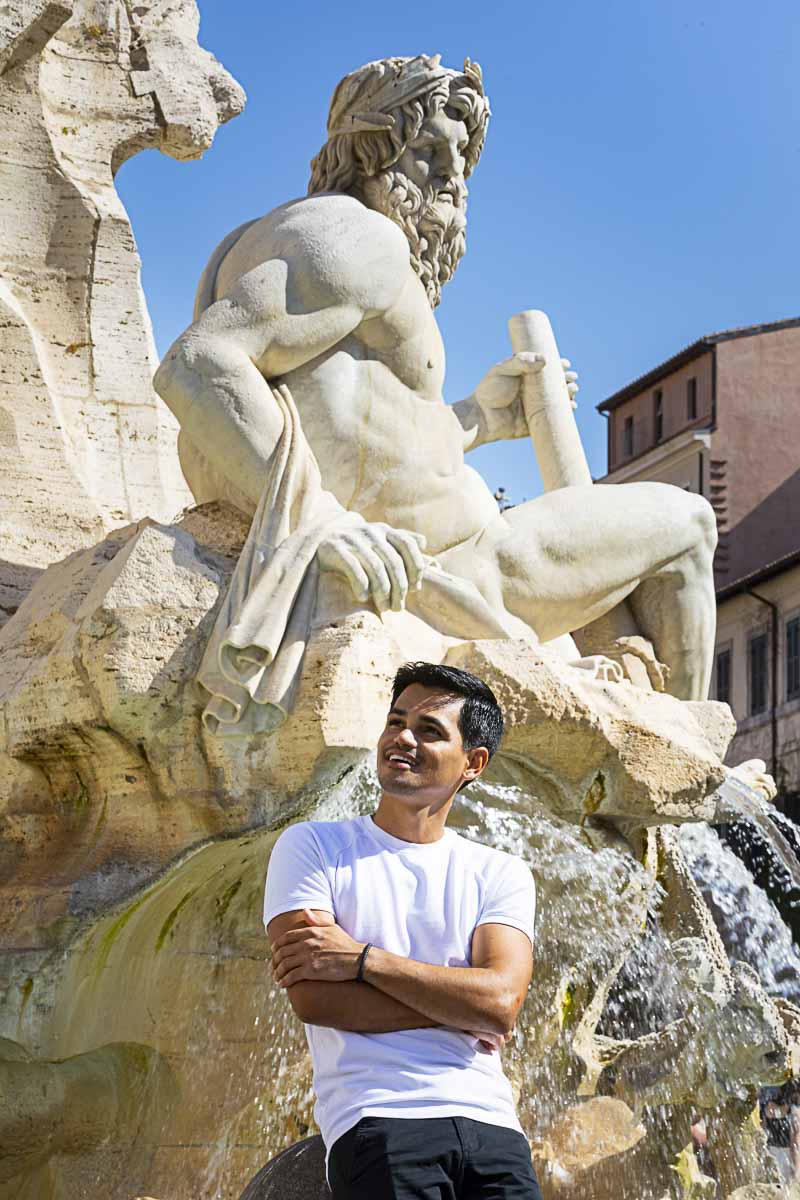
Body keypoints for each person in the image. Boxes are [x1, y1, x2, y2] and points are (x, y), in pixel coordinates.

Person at [155, 54, 718, 705]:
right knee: (690, 521)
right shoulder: (359, 239)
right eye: (428, 151)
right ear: (371, 150)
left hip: (427, 556)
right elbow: (198, 367)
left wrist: (476, 417)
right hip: (462, 569)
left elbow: (351, 431)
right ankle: (688, 750)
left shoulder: (282, 238)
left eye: (462, 162)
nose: (452, 178)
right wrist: (326, 526)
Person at [263, 661, 542, 1198]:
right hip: (379, 1120)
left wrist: (364, 961)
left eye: (430, 730)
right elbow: (316, 998)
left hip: (494, 1129)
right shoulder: (313, 847)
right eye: (396, 721)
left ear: (474, 762)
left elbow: (502, 1003)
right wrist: (462, 1008)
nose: (402, 738)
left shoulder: (501, 871)